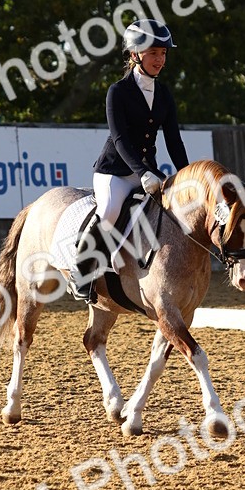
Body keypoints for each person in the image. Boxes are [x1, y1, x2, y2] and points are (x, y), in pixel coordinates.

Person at [72, 18, 189, 300]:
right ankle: (82, 270)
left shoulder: (163, 94)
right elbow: (120, 139)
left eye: (163, 53)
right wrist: (143, 172)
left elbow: (173, 139)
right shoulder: (118, 92)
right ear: (135, 54)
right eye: (153, 53)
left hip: (147, 171)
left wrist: (187, 176)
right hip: (114, 171)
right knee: (111, 209)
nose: (160, 59)